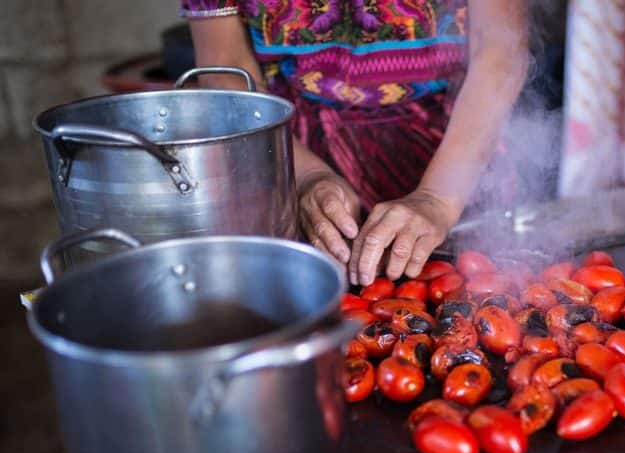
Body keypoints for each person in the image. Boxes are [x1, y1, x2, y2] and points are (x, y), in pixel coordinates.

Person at [181, 0, 528, 286]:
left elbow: (500, 49)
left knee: (479, 290)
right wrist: (305, 177)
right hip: (286, 143)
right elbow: (225, 67)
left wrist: (437, 198)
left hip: (458, 147)